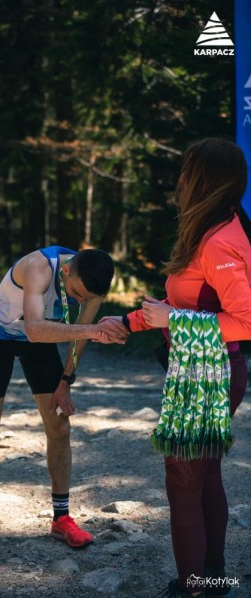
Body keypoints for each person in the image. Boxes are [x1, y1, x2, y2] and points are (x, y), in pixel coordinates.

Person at [100, 138, 251, 597]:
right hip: (199, 369)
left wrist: (175, 320)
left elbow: (245, 319)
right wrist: (126, 322)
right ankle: (213, 578)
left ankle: (194, 587)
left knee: (183, 483)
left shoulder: (222, 240)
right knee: (202, 478)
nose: (180, 179)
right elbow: (184, 302)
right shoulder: (211, 229)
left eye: (187, 171)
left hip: (209, 375)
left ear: (205, 179)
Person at [0, 246, 128, 560]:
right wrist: (93, 329)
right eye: (75, 294)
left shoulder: (92, 278)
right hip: (1, 338)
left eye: (85, 298)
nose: (79, 301)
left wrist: (66, 382)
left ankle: (61, 518)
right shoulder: (39, 267)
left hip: (40, 343)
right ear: (66, 272)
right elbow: (35, 329)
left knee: (60, 427)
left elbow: (80, 339)